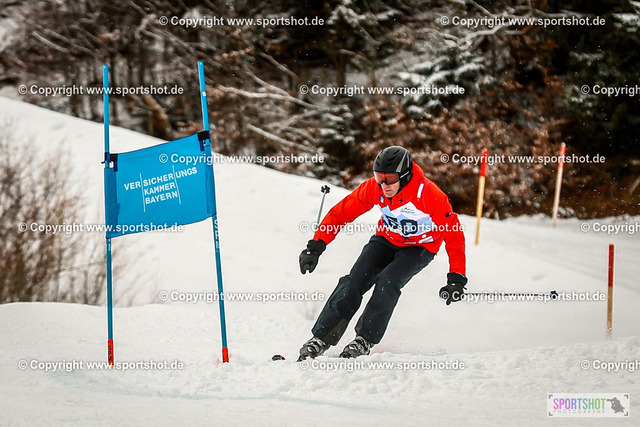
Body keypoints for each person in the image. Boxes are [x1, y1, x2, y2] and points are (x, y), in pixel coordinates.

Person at [298, 146, 467, 360]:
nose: (384, 185)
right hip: (386, 240)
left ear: (405, 176)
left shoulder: (428, 194)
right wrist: (316, 245)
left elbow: (453, 232)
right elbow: (341, 213)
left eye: (390, 179)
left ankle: (364, 340)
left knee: (388, 281)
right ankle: (321, 338)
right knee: (353, 281)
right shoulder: (374, 188)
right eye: (379, 177)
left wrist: (457, 276)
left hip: (420, 247)